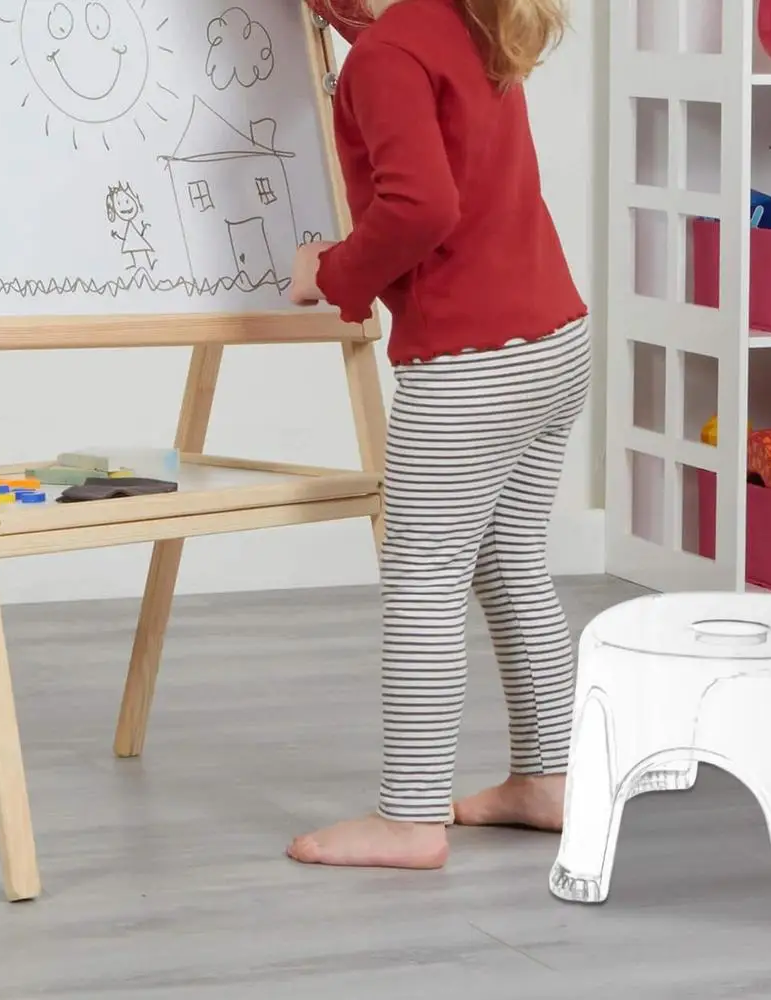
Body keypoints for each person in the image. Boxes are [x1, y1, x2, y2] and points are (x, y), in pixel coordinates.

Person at [288, 0, 590, 870]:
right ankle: (550, 779)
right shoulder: (465, 20)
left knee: (424, 578)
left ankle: (411, 817)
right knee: (511, 562)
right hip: (552, 341)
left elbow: (420, 206)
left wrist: (333, 272)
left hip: (469, 368)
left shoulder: (388, 57)